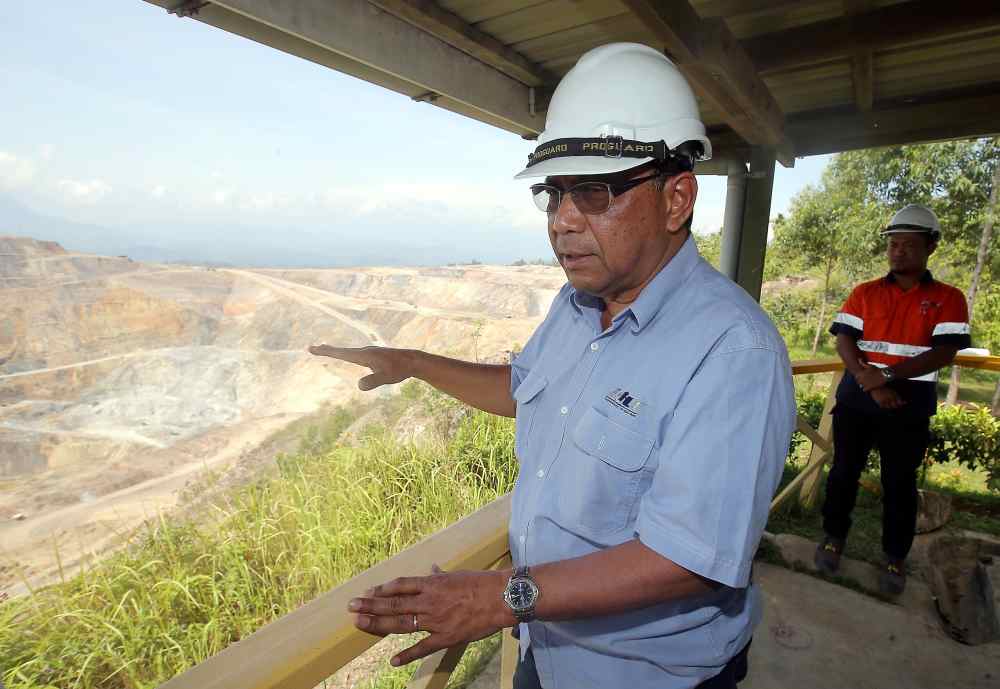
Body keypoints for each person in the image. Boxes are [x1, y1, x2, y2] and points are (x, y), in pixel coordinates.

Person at [310, 43, 795, 689]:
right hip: (547, 641)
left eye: (595, 194)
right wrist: (413, 360)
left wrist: (495, 597)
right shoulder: (577, 305)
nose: (563, 222)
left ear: (677, 198)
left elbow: (691, 558)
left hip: (647, 675)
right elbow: (526, 389)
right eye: (555, 194)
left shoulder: (733, 350)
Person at [815, 203, 972, 595]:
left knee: (899, 484)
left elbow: (944, 352)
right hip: (857, 399)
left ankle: (895, 559)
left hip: (908, 404)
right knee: (843, 474)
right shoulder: (865, 293)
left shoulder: (948, 298)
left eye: (908, 244)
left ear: (931, 247)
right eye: (893, 244)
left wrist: (885, 375)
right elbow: (844, 339)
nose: (898, 251)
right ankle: (833, 538)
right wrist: (871, 383)